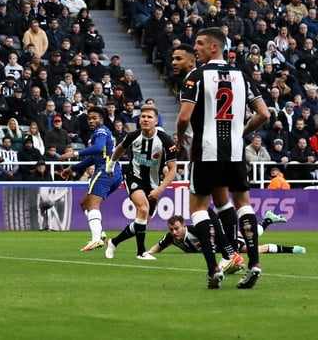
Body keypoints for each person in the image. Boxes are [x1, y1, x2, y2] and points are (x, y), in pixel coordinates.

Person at [175, 27, 270, 289]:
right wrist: (241, 132)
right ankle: (254, 263)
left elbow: (184, 117)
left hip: (206, 151)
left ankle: (213, 269)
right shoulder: (241, 76)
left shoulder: (197, 75)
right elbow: (264, 113)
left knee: (197, 208)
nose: (196, 47)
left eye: (200, 43)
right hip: (235, 153)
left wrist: (180, 137)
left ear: (214, 47)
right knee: (243, 204)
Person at [104, 105, 177, 260]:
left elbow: (172, 170)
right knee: (143, 208)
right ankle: (141, 252)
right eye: (143, 116)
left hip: (154, 183)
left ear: (156, 121)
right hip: (133, 177)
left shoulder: (165, 140)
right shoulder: (133, 136)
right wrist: (111, 164)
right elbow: (120, 148)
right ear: (139, 120)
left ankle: (114, 242)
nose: (145, 119)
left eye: (149, 117)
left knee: (142, 221)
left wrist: (160, 190)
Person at [58, 107, 123, 252]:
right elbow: (94, 157)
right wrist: (73, 168)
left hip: (105, 171)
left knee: (93, 204)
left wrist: (74, 153)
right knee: (85, 203)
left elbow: (98, 148)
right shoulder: (101, 132)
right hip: (114, 172)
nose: (91, 121)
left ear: (101, 119)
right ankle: (99, 233)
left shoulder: (101, 131)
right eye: (89, 118)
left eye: (94, 118)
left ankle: (96, 239)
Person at [149, 214, 306, 256]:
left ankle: (293, 250)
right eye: (171, 229)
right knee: (250, 237)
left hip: (225, 243)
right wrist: (146, 254)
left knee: (254, 249)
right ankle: (268, 220)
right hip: (222, 244)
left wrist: (232, 236)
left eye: (176, 228)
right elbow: (157, 247)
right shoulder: (171, 237)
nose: (174, 232)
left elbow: (215, 231)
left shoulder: (195, 230)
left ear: (183, 226)